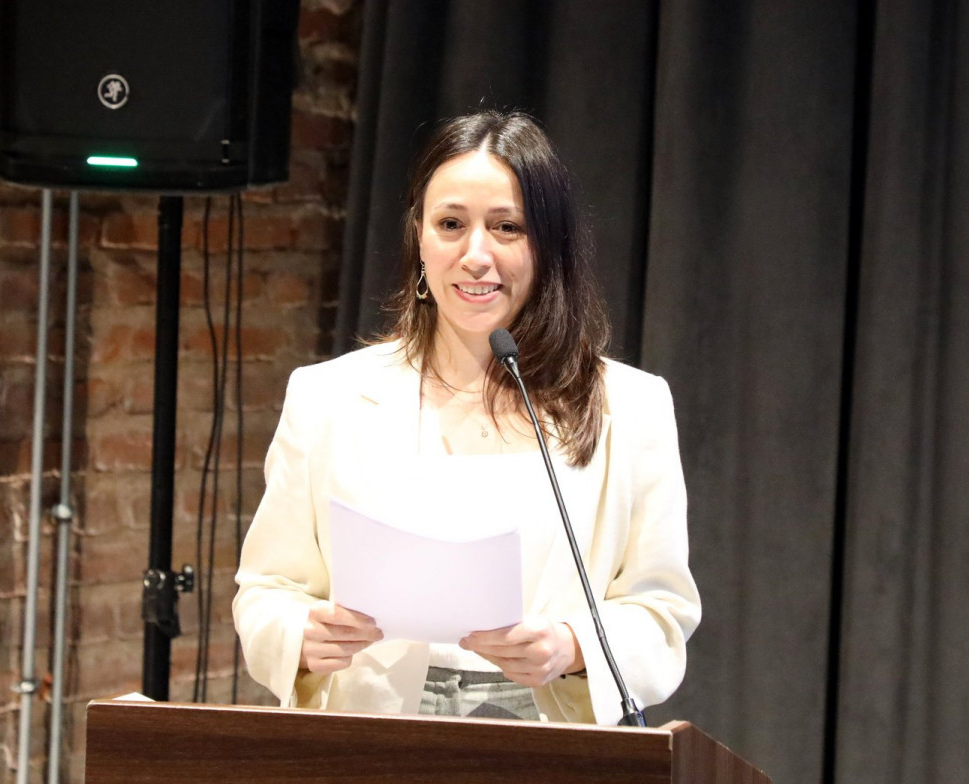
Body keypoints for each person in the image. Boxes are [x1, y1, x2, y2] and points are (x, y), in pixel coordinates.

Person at [233, 110, 700, 725]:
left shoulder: (631, 406)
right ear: (419, 238)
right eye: (451, 224)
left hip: (548, 738)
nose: (476, 255)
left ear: (548, 244)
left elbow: (661, 609)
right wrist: (300, 634)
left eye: (507, 227)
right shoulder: (328, 397)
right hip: (375, 734)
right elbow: (267, 590)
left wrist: (572, 646)